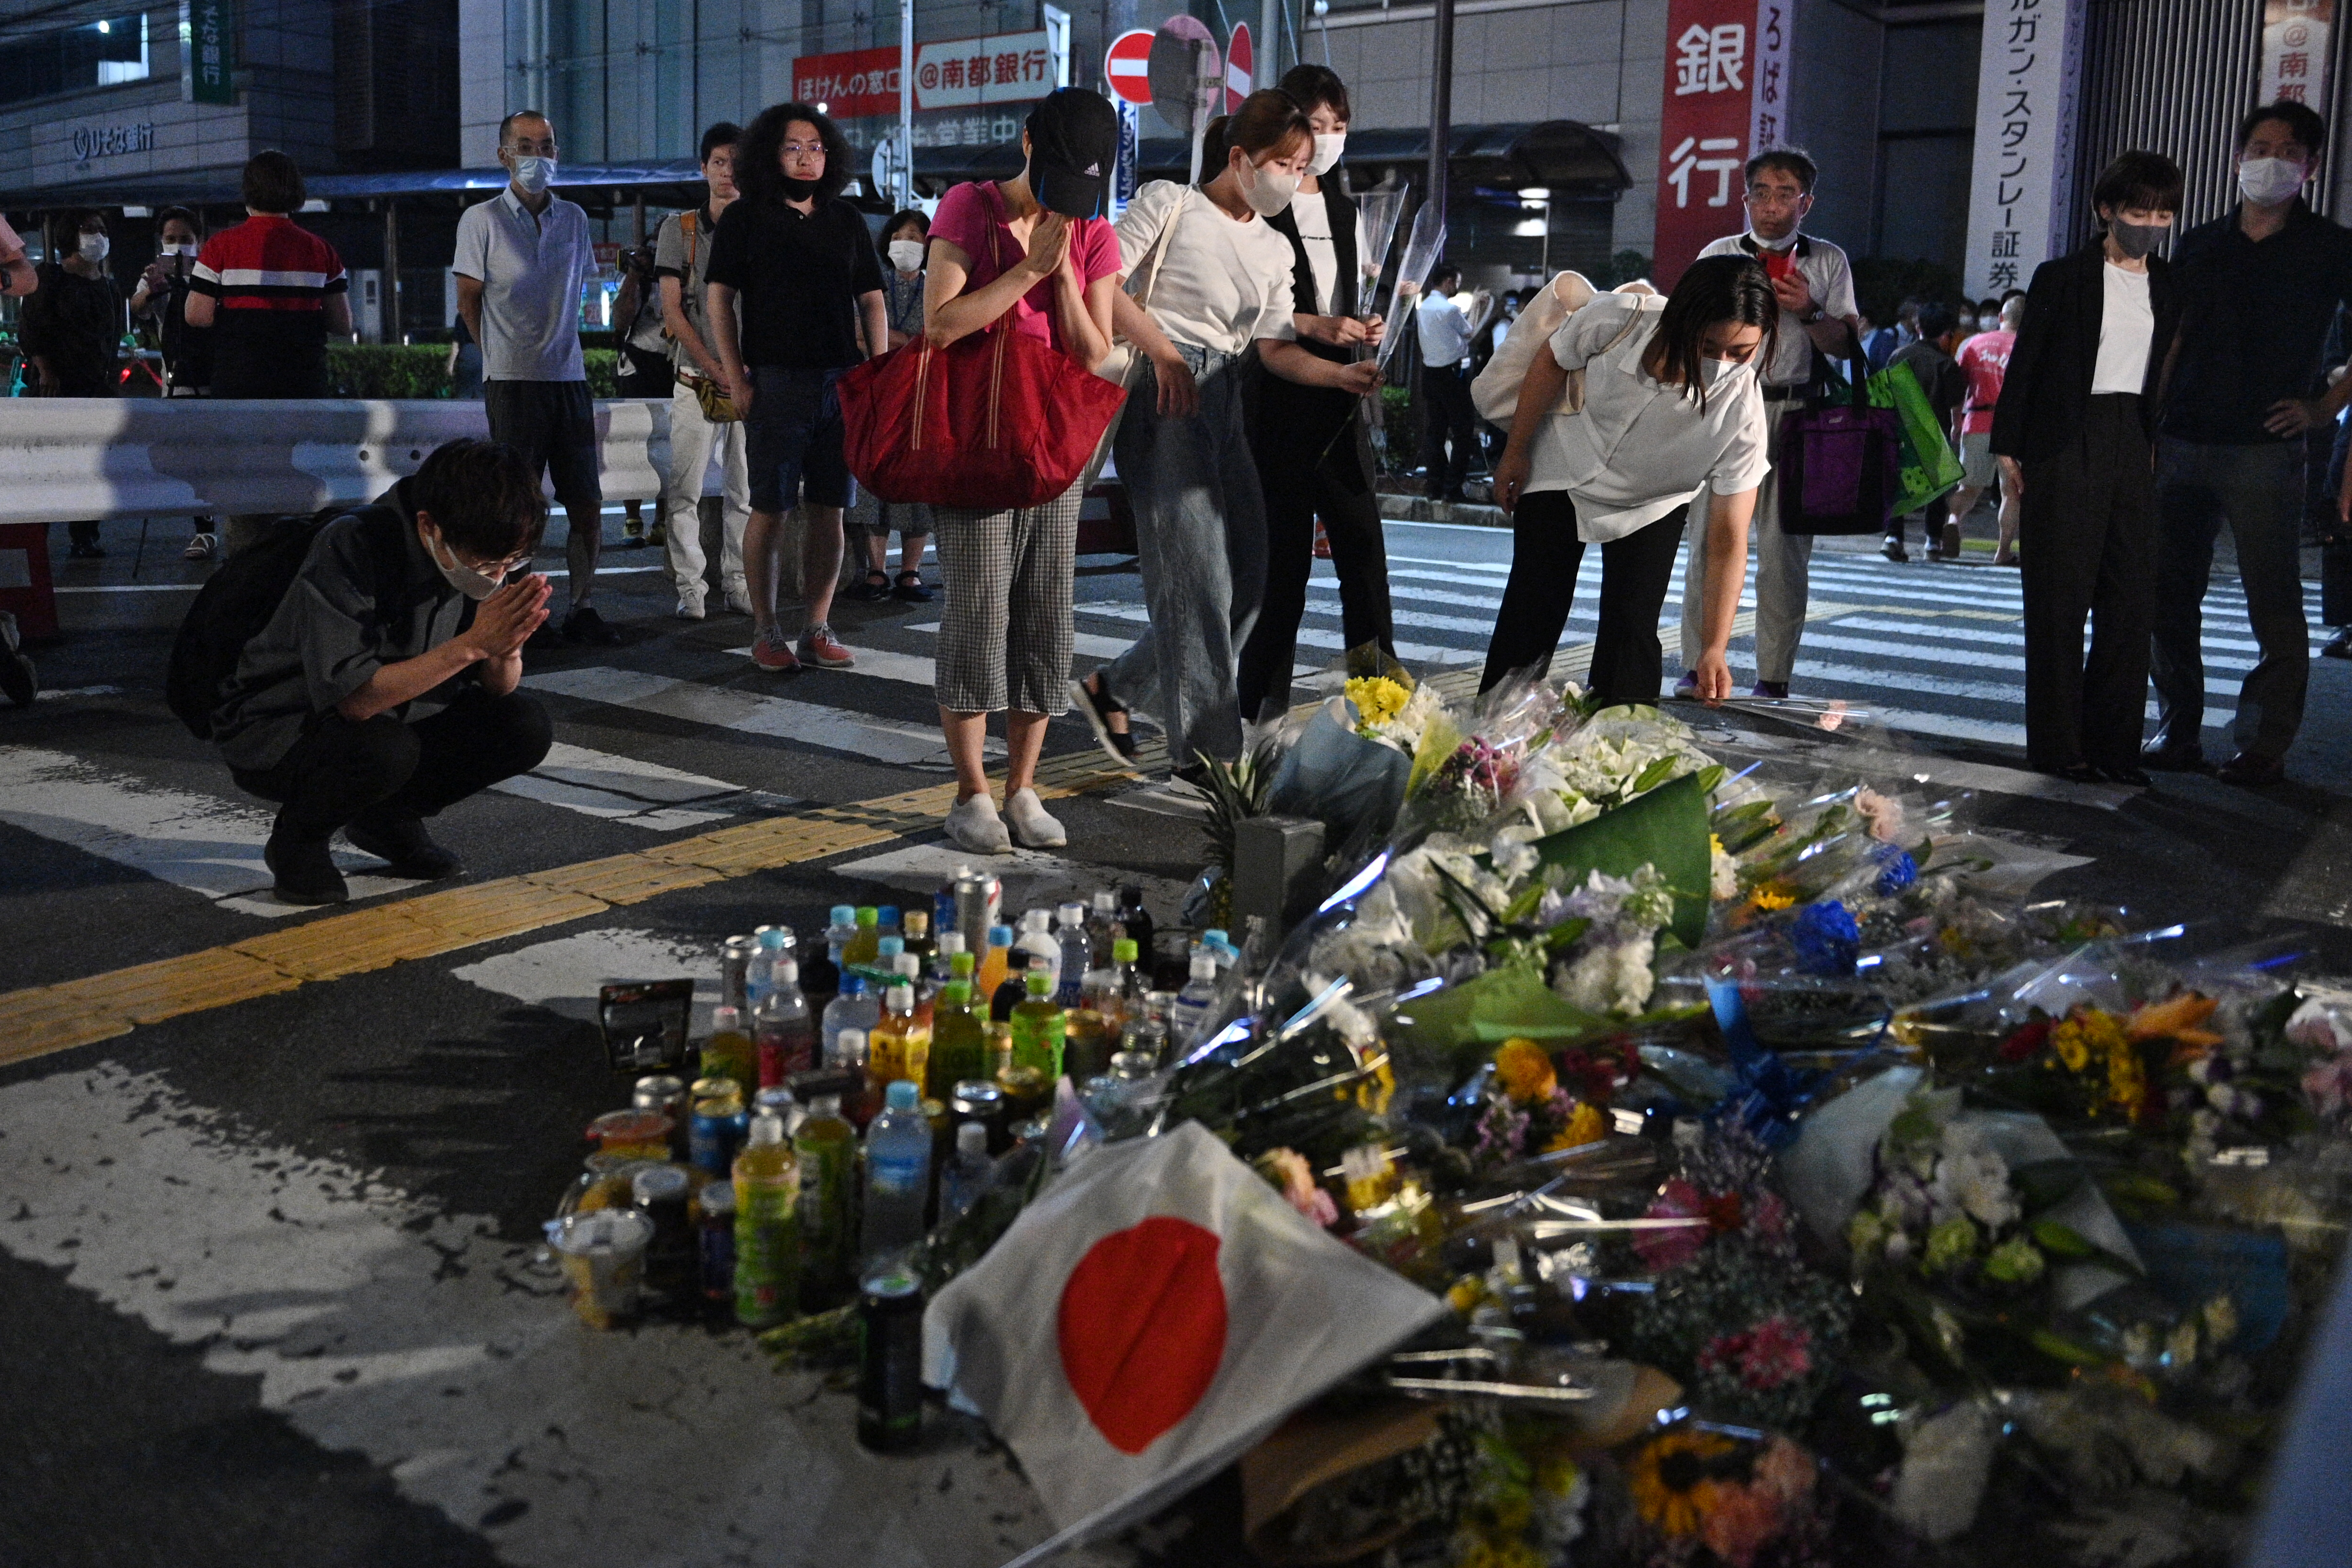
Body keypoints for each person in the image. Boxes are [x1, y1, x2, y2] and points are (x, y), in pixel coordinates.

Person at [1073, 92, 1380, 782]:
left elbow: (1272, 349)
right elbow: (1102, 281)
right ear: (1240, 157)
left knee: (1251, 578)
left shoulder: (1273, 247)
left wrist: (1339, 378)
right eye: (1282, 162)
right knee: (1198, 580)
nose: (1293, 178)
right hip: (1164, 394)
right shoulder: (1169, 203)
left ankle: (1116, 689)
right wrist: (1164, 354)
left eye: (1302, 167)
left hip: (1228, 399)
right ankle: (1209, 756)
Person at [211, 439, 556, 905]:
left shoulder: (491, 540)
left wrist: (505, 650)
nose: (495, 575)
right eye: (485, 563)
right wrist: (473, 643)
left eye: (508, 564)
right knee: (385, 749)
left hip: (398, 717)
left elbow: (499, 687)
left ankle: (387, 819)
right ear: (429, 526)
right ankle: (299, 838)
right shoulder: (356, 542)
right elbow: (355, 699)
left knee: (523, 725)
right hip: (283, 724)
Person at [920, 88, 1122, 854]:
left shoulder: (1093, 232)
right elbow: (938, 326)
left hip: (1052, 448)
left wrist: (1064, 277)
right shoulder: (968, 208)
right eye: (1057, 178)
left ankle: (1023, 788)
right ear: (1028, 143)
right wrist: (1020, 276)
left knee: (1046, 612)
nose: (1065, 204)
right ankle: (971, 792)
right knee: (976, 610)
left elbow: (1094, 351)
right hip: (975, 440)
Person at [2147, 100, 2352, 785]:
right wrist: (2151, 417)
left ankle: (2262, 744)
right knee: (2167, 590)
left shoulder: (2330, 246)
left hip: (2264, 446)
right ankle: (2175, 728)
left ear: (2310, 167)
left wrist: (2323, 407)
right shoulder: (2200, 241)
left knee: (2272, 598)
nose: (2271, 160)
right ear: (2236, 158)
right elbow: (2172, 336)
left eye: (2288, 151)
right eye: (2258, 147)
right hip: (2181, 436)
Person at [1481, 255, 1772, 705]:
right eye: (1709, 345)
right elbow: (1551, 360)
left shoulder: (1742, 412)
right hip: (1565, 461)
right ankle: (1490, 742)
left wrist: (1713, 648)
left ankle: (1620, 751)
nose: (1722, 363)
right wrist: (1515, 451)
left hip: (1653, 500)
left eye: (1740, 353)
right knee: (1534, 603)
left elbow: (1728, 538)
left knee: (1632, 625)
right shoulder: (1619, 319)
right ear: (1681, 321)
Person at [1991, 150, 2183, 786]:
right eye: (2136, 211)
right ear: (2105, 210)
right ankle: (2057, 746)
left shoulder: (2170, 283)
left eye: (2161, 213)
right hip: (2062, 440)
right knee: (2056, 599)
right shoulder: (2061, 277)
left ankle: (2113, 748)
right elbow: (2025, 368)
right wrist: (2007, 453)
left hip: (2132, 439)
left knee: (2129, 600)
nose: (2149, 224)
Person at [1234, 62, 1397, 732]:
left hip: (1341, 397)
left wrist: (1362, 326)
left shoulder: (1345, 209)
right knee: (1282, 574)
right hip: (1276, 402)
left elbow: (1341, 299)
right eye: (1316, 127)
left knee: (1363, 559)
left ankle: (1380, 710)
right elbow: (1248, 309)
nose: (1327, 141)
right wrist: (1317, 326)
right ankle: (1259, 718)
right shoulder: (1255, 205)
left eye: (1339, 127)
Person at [706, 101, 889, 673]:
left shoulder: (846, 218)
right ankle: (766, 630)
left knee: (832, 510)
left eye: (816, 146)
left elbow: (873, 300)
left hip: (843, 382)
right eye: (793, 146)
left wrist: (879, 374)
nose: (807, 157)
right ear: (769, 153)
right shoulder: (745, 217)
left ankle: (818, 625)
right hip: (776, 381)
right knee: (772, 509)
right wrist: (735, 375)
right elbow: (719, 298)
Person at [1675, 147, 1861, 700]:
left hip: (1795, 412)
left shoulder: (1827, 261)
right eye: (1761, 193)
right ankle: (1695, 665)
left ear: (1807, 202)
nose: (1772, 206)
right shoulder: (1718, 253)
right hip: (1726, 406)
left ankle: (1772, 676)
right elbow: (1684, 328)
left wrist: (1810, 310)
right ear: (1745, 198)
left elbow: (1848, 345)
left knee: (1783, 554)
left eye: (1785, 195)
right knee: (1709, 539)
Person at [454, 110, 616, 646]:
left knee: (586, 502)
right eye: (526, 146)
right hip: (513, 383)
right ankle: (524, 614)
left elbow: (587, 296)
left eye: (546, 145)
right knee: (519, 507)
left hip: (569, 378)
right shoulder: (481, 220)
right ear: (503, 155)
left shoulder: (573, 218)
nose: (538, 156)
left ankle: (583, 605)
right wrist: (497, 356)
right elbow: (468, 300)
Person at [653, 120, 753, 621]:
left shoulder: (763, 227)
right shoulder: (681, 229)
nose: (727, 172)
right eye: (718, 162)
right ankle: (691, 586)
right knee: (684, 491)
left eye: (735, 162)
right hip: (696, 377)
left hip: (750, 381)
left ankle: (738, 581)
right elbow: (673, 312)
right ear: (703, 169)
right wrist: (717, 367)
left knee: (745, 493)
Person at [20, 210, 122, 558]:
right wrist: (45, 368)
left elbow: (112, 337)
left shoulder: (108, 286)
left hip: (96, 388)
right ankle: (36, 538)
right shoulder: (50, 277)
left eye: (102, 230)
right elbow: (32, 328)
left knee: (91, 467)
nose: (98, 236)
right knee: (48, 466)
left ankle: (85, 534)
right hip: (56, 387)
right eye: (90, 229)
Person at [848, 208, 936, 605]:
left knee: (919, 481)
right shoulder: (874, 284)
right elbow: (856, 331)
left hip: (922, 395)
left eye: (916, 237)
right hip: (877, 393)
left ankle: (910, 572)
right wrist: (904, 340)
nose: (907, 243)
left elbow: (939, 336)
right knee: (873, 480)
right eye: (900, 235)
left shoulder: (937, 285)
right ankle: (876, 570)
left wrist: (887, 338)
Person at [130, 206, 220, 559]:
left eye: (186, 239)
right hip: (176, 383)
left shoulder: (213, 271)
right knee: (191, 461)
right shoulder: (156, 274)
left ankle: (227, 527)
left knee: (223, 460)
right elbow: (137, 306)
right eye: (171, 239)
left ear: (199, 242)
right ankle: (205, 529)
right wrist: (154, 290)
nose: (179, 245)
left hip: (215, 381)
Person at [1883, 300, 1966, 561]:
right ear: (1947, 334)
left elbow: (1887, 394)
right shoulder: (1947, 365)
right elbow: (1955, 408)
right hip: (1935, 433)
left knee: (1898, 485)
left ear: (1918, 327)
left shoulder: (1899, 355)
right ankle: (1932, 542)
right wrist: (1956, 434)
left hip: (1900, 431)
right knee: (1937, 490)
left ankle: (1893, 538)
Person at [1952, 293, 2023, 566]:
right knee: (2010, 492)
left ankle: (1953, 522)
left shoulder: (1973, 344)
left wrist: (1956, 422)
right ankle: (2002, 552)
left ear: (2001, 317)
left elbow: (1959, 388)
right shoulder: (2027, 347)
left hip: (1977, 421)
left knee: (1968, 487)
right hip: (2012, 428)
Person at [611, 240, 672, 552]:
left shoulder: (682, 273)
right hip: (638, 362)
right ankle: (633, 518)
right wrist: (635, 273)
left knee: (667, 443)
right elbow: (620, 322)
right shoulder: (639, 278)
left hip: (673, 362)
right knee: (632, 441)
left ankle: (662, 518)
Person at [1415, 263, 1492, 500]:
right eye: (1457, 282)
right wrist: (1478, 304)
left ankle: (1434, 486)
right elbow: (1470, 332)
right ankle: (1453, 488)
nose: (1457, 287)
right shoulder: (1449, 309)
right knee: (1462, 431)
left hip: (1430, 374)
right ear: (1448, 281)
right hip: (1453, 375)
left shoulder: (1424, 307)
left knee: (1435, 433)